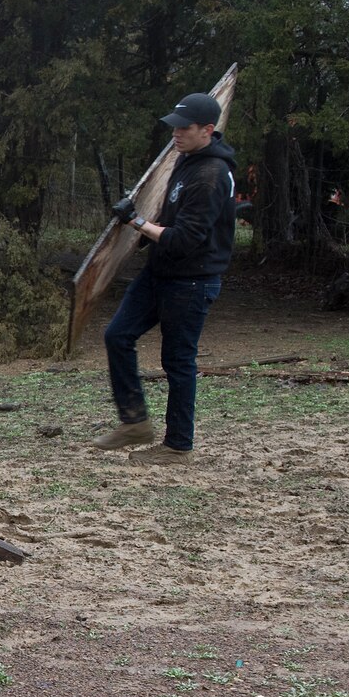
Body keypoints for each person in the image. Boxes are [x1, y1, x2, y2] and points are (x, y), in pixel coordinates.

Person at [93, 90, 238, 464]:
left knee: (177, 361)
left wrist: (136, 222)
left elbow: (184, 239)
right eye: (173, 127)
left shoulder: (211, 175)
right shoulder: (187, 159)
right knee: (117, 335)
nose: (175, 134)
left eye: (183, 128)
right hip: (160, 273)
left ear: (207, 130)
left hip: (192, 280)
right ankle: (134, 422)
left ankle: (178, 446)